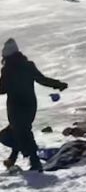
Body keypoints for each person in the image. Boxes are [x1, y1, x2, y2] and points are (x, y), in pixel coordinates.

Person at [1, 39, 67, 173]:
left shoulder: (7, 70)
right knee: (20, 132)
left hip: (16, 107)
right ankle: (13, 159)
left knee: (13, 135)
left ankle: (35, 162)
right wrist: (58, 84)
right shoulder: (28, 65)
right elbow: (42, 79)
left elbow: (1, 89)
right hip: (30, 106)